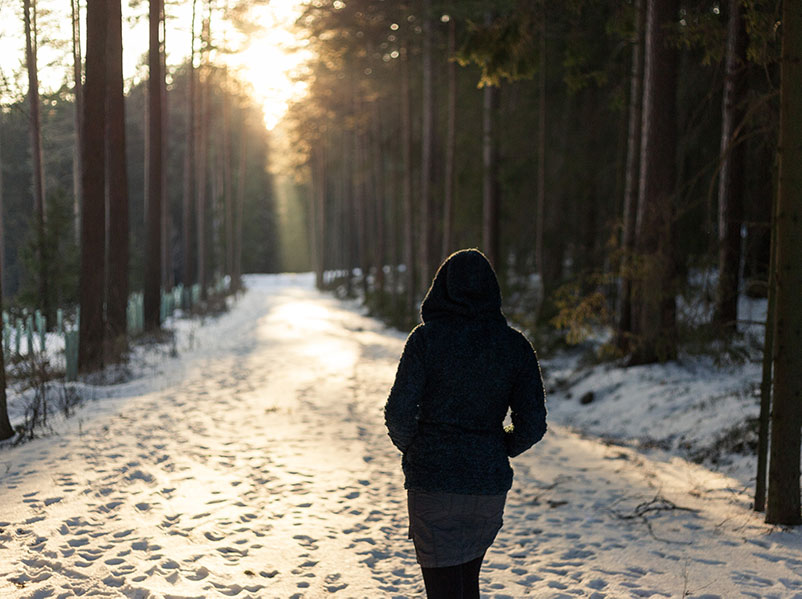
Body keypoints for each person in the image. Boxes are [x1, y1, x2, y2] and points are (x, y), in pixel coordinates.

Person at [384, 249, 548, 599]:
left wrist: (418, 448)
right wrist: (497, 447)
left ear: (440, 289)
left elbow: (398, 413)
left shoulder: (425, 341)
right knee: (464, 584)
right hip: (486, 488)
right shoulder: (515, 347)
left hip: (433, 483)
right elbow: (533, 424)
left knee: (444, 591)